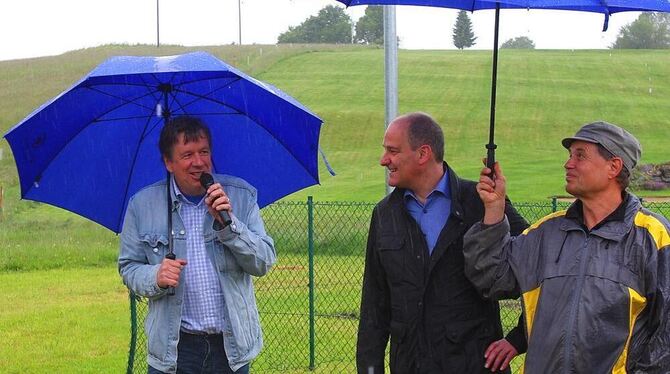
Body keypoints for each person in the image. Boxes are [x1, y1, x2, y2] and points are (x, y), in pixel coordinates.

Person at [464, 121, 670, 373]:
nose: (568, 163)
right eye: (570, 155)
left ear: (614, 167)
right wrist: (494, 210)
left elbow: (665, 336)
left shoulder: (653, 236)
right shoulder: (546, 232)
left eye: (580, 155)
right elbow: (492, 278)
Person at [356, 112, 529, 374]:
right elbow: (374, 309)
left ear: (423, 154)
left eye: (392, 151)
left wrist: (518, 340)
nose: (384, 160)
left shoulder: (482, 202)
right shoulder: (384, 215)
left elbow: (539, 270)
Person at [118, 116, 276, 374]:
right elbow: (128, 267)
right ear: (168, 162)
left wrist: (229, 225)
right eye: (187, 154)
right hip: (174, 351)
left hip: (230, 348)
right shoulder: (142, 205)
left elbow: (263, 261)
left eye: (204, 152)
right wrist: (155, 276)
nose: (199, 162)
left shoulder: (240, 195)